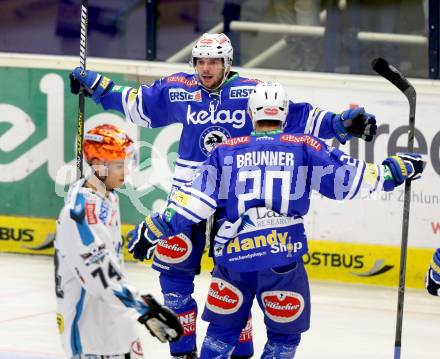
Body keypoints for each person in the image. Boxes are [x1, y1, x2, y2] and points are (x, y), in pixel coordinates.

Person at [69, 32, 377, 359]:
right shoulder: (179, 89)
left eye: (213, 61)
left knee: (233, 282)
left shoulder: (251, 91)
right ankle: (183, 352)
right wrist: (98, 86)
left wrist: (341, 124)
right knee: (173, 279)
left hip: (233, 201)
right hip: (188, 197)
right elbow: (137, 104)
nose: (205, 67)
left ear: (227, 62)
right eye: (200, 60)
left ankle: (240, 353)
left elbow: (299, 117)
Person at [127, 82, 425, 358]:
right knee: (283, 338)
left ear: (250, 112)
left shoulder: (224, 150)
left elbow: (194, 202)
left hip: (234, 259)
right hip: (282, 259)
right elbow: (347, 181)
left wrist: (153, 228)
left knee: (220, 333)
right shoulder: (304, 145)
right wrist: (395, 169)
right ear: (284, 112)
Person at [54, 124, 183, 359]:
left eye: (126, 162)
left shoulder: (107, 197)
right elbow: (101, 279)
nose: (125, 171)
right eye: (118, 165)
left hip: (116, 322)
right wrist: (146, 310)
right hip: (91, 334)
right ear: (97, 165)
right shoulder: (80, 214)